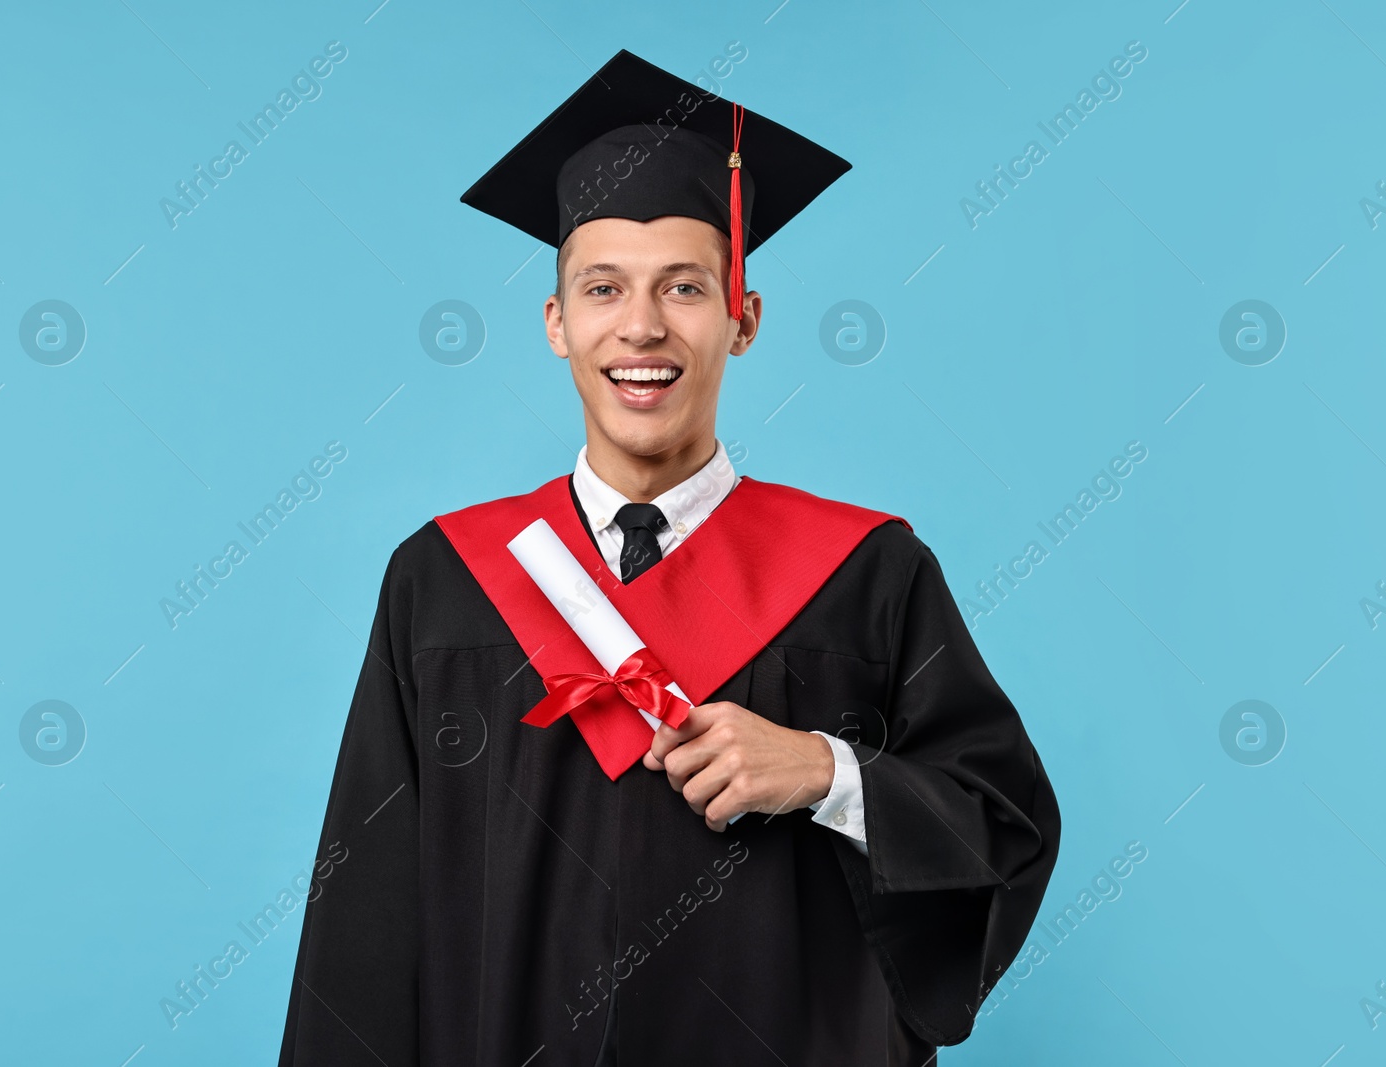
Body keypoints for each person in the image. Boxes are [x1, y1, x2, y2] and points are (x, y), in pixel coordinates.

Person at [279, 49, 1059, 1067]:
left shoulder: (869, 572)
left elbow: (1001, 828)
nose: (641, 325)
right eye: (602, 288)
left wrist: (828, 770)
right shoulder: (444, 578)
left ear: (742, 318)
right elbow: (367, 913)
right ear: (557, 324)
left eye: (685, 287)